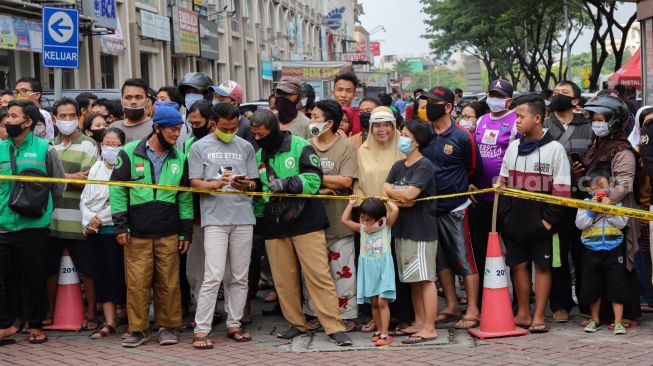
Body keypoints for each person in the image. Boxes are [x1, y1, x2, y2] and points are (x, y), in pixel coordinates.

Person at [249, 109, 352, 346]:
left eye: (261, 134)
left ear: (274, 130)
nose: (256, 138)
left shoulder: (299, 145)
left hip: (306, 220)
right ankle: (296, 324)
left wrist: (285, 184)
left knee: (318, 275)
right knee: (284, 280)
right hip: (274, 223)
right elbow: (260, 191)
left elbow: (314, 179)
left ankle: (334, 327)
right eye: (254, 134)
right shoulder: (259, 154)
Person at [110, 105, 193, 348]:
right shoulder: (128, 153)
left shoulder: (180, 158)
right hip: (136, 233)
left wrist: (185, 232)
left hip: (169, 232)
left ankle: (168, 327)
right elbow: (117, 190)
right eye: (172, 130)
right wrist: (120, 226)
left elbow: (185, 198)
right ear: (157, 129)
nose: (177, 135)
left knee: (169, 283)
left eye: (179, 130)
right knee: (137, 283)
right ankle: (138, 329)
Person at [188, 102, 259, 349]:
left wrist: (245, 185)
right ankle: (201, 329)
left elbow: (254, 184)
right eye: (224, 128)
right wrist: (213, 185)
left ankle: (234, 323)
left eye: (234, 127)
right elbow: (194, 182)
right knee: (213, 275)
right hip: (214, 219)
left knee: (239, 275)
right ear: (213, 123)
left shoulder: (246, 147)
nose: (230, 132)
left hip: (243, 217)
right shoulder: (198, 147)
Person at [499, 93, 571, 333]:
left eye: (521, 116)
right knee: (517, 266)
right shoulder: (512, 148)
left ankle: (540, 316)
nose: (516, 121)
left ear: (538, 118)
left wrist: (548, 221)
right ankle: (523, 313)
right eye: (516, 117)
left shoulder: (555, 149)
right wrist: (505, 218)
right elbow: (503, 185)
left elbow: (562, 191)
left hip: (542, 222)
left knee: (542, 267)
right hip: (514, 221)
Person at [0, 100, 66, 344]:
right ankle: (8, 324)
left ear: (27, 122)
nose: (8, 120)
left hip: (34, 226)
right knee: (7, 278)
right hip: (3, 225)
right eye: (7, 116)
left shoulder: (45, 149)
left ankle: (35, 324)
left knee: (33, 278)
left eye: (13, 116)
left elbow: (59, 185)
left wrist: (45, 210)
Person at [421, 87, 482, 330]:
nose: (429, 107)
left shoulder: (461, 136)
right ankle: (451, 305)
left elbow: (473, 168)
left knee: (464, 258)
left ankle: (474, 309)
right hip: (428, 207)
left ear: (448, 107)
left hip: (456, 207)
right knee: (441, 260)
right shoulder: (424, 133)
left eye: (434, 102)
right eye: (427, 102)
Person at [579, 96, 641, 330]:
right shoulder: (597, 145)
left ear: (614, 121)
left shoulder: (622, 151)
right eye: (593, 119)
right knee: (594, 268)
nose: (596, 124)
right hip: (594, 219)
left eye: (600, 119)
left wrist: (600, 204)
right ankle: (598, 315)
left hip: (618, 217)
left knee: (619, 268)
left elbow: (624, 185)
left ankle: (623, 315)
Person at [304, 99, 359, 332]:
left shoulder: (346, 146)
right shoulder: (305, 145)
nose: (312, 121)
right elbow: (298, 177)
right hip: (310, 221)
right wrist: (324, 183)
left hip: (339, 220)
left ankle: (346, 315)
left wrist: (314, 177)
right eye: (311, 116)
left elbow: (346, 180)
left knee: (342, 271)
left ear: (329, 122)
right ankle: (316, 314)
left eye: (316, 117)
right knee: (315, 273)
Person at [46, 97, 99, 330]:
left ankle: (91, 314)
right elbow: (43, 180)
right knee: (48, 269)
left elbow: (86, 181)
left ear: (79, 117)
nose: (67, 120)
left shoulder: (88, 144)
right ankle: (49, 311)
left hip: (79, 218)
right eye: (62, 116)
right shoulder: (48, 146)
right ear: (55, 119)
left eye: (71, 116)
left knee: (88, 269)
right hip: (52, 219)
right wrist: (69, 177)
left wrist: (57, 179)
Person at [384, 120, 439, 344]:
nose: (402, 138)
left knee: (425, 279)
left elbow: (409, 196)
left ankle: (429, 326)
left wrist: (401, 195)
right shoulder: (399, 165)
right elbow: (385, 188)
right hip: (402, 228)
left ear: (416, 140)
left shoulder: (424, 165)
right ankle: (419, 321)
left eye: (405, 134)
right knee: (413, 280)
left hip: (422, 230)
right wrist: (402, 194)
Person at [543, 80, 593, 323]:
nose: (557, 96)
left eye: (563, 93)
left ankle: (586, 301)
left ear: (575, 101)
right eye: (555, 93)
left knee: (583, 251)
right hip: (554, 200)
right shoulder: (543, 126)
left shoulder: (590, 126)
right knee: (558, 253)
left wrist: (584, 169)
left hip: (583, 198)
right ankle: (560, 303)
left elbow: (597, 162)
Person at [470, 80, 518, 305]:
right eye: (491, 94)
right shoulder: (481, 120)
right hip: (481, 196)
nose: (494, 99)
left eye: (499, 95)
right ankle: (483, 300)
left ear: (509, 99)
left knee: (513, 250)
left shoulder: (516, 121)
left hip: (506, 197)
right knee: (481, 248)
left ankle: (519, 300)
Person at [80, 127, 127, 340]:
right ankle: (109, 323)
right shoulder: (96, 167)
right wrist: (89, 220)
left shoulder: (126, 168)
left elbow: (122, 201)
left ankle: (127, 318)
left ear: (123, 147)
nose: (110, 148)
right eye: (106, 144)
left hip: (114, 230)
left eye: (115, 145)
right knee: (101, 275)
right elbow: (85, 198)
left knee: (119, 274)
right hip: (95, 231)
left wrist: (100, 218)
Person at [575, 166, 629, 335]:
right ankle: (594, 319)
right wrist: (592, 212)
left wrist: (608, 209)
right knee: (592, 286)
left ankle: (618, 321)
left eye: (603, 186)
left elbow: (622, 223)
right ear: (589, 188)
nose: (600, 191)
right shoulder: (585, 204)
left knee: (617, 285)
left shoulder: (618, 204)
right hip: (591, 250)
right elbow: (580, 224)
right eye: (595, 187)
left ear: (611, 187)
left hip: (614, 249)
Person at [341, 197, 399, 346]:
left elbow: (396, 210)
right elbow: (344, 220)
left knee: (382, 302)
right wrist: (351, 204)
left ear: (379, 219)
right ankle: (379, 330)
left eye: (369, 220)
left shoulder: (386, 227)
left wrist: (386, 200)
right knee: (373, 302)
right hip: (369, 270)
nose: (365, 222)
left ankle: (385, 334)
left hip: (383, 270)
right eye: (362, 218)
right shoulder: (361, 229)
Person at [209, 80, 257, 148]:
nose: (216, 101)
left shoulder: (247, 127)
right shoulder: (212, 123)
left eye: (221, 99)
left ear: (234, 103)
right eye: (216, 97)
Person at [112, 79, 154, 143]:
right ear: (121, 100)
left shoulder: (155, 128)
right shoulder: (114, 127)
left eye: (138, 97)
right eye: (128, 97)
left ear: (147, 100)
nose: (133, 102)